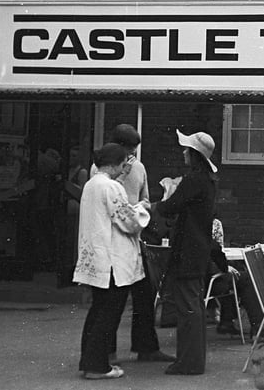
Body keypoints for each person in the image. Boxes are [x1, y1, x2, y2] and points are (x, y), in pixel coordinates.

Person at [73, 143, 151, 380]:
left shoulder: (90, 185)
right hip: (113, 262)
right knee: (109, 315)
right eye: (123, 164)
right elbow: (128, 222)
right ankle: (98, 367)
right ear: (115, 163)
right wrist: (142, 210)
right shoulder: (112, 187)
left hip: (95, 258)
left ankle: (89, 361)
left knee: (97, 312)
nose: (124, 169)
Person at [151, 129, 219, 375]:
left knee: (187, 308)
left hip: (187, 251)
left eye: (186, 149)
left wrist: (153, 205)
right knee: (194, 307)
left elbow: (170, 207)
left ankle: (188, 363)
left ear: (195, 154)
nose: (183, 152)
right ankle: (191, 360)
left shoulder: (193, 179)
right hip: (198, 250)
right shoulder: (208, 180)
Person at [105, 124, 173, 363]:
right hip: (112, 241)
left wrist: (140, 210)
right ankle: (108, 351)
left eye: (134, 151)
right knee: (114, 298)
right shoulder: (101, 170)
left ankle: (146, 347)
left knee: (145, 294)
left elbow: (144, 199)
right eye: (128, 150)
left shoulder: (139, 167)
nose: (131, 156)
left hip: (135, 238)